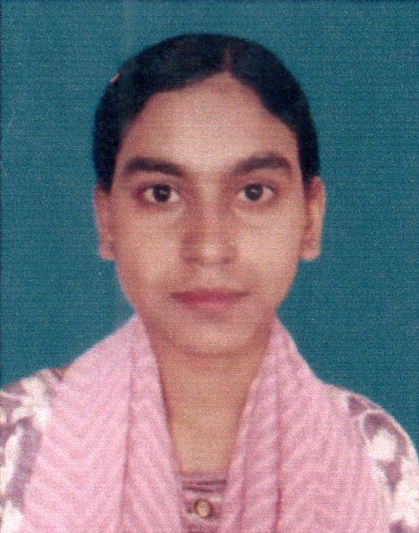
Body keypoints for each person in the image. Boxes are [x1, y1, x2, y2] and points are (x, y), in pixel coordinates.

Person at [1, 34, 418, 533]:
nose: (209, 246)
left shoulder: (375, 455)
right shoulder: (13, 445)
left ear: (311, 218)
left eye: (254, 192)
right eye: (161, 194)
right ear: (107, 219)